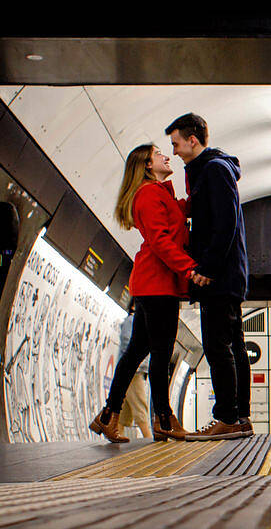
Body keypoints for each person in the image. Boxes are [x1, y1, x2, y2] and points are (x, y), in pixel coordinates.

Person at [89, 143, 196, 443]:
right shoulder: (148, 195)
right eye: (159, 154)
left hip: (155, 284)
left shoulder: (161, 194)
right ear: (148, 165)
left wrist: (196, 173)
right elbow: (161, 241)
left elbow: (185, 208)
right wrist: (189, 268)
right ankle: (164, 419)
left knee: (137, 350)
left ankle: (108, 416)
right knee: (161, 352)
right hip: (156, 283)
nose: (165, 156)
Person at [166, 112, 252, 441]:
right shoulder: (209, 170)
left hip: (220, 276)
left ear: (192, 139)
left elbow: (225, 223)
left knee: (218, 347)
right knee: (234, 346)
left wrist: (207, 269)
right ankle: (240, 417)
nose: (173, 151)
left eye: (176, 143)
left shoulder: (214, 170)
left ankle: (227, 417)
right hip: (228, 274)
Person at [117, 308, 153, 439]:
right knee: (140, 406)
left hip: (135, 370)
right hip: (134, 372)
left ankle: (117, 435)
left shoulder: (136, 320)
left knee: (124, 410)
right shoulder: (132, 320)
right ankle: (149, 439)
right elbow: (129, 344)